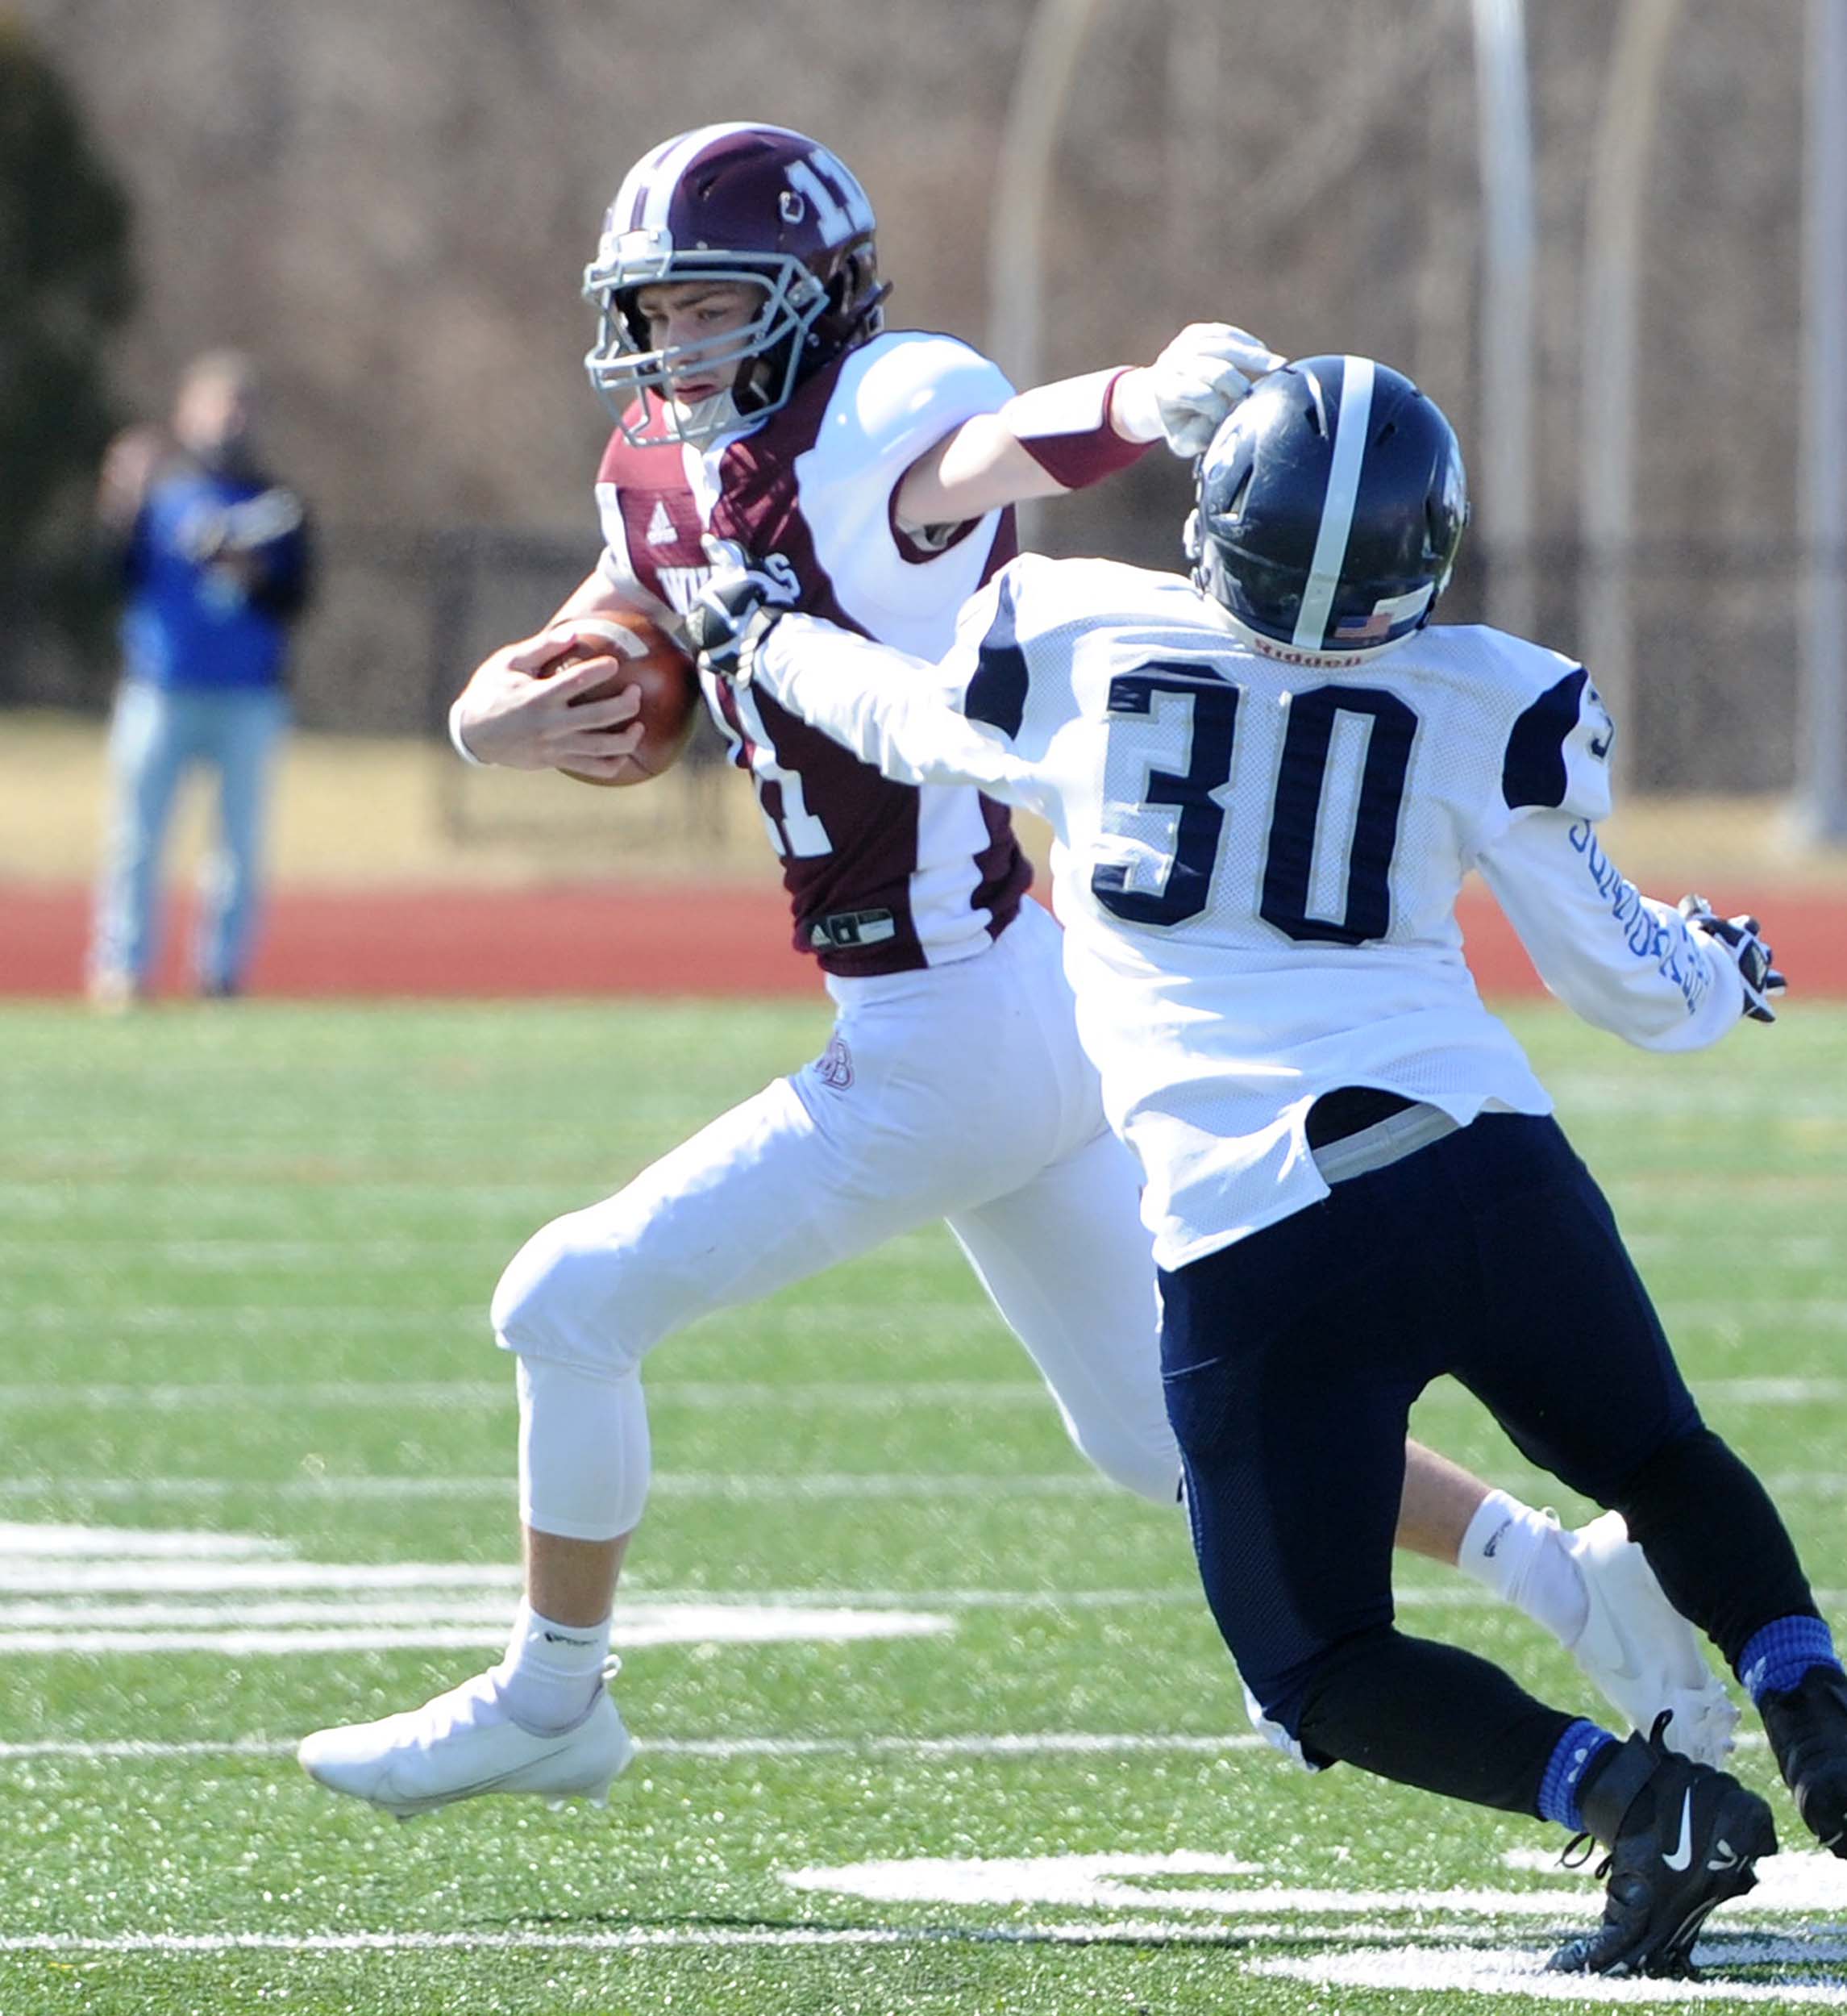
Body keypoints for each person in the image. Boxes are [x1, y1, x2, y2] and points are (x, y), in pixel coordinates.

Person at [297, 127, 1730, 1828]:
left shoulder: (874, 415)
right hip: (1023, 1000)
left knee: (563, 1301)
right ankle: (1566, 1574)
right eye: (656, 313)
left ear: (812, 299)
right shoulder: (665, 461)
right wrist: (491, 715)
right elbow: (620, 603)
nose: (675, 345)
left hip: (951, 1027)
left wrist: (1140, 398)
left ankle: (551, 1697)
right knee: (1145, 1431)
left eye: (710, 309)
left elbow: (990, 453)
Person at [678, 352, 1847, 1977]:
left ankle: (1630, 1800)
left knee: (1315, 1665)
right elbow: (1625, 983)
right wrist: (1717, 968)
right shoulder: (1487, 692)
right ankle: (1812, 1707)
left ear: (1216, 519)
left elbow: (902, 721)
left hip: (1260, 1226)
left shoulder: (1076, 634)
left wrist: (766, 638)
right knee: (1656, 1458)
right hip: (1486, 1171)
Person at [87, 352, 314, 1007]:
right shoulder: (159, 497)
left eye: (240, 407)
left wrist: (251, 573)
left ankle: (221, 976)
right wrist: (117, 506)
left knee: (238, 847)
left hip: (248, 696)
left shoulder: (277, 504)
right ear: (187, 413)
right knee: (136, 840)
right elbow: (108, 577)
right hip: (160, 689)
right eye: (216, 406)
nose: (228, 420)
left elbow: (299, 598)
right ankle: (122, 972)